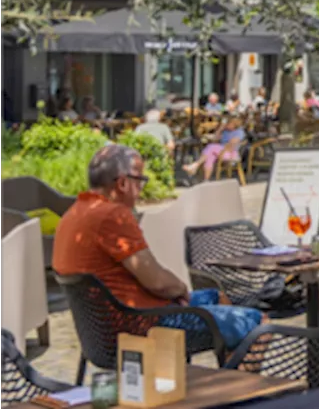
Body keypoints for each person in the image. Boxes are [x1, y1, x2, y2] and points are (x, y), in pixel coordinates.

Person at [52, 144, 262, 349]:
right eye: (140, 181)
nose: (141, 192)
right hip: (142, 325)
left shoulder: (75, 213)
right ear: (123, 184)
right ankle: (238, 382)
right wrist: (179, 289)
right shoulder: (113, 216)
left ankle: (223, 377)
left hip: (100, 332)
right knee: (257, 323)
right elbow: (159, 283)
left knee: (217, 297)